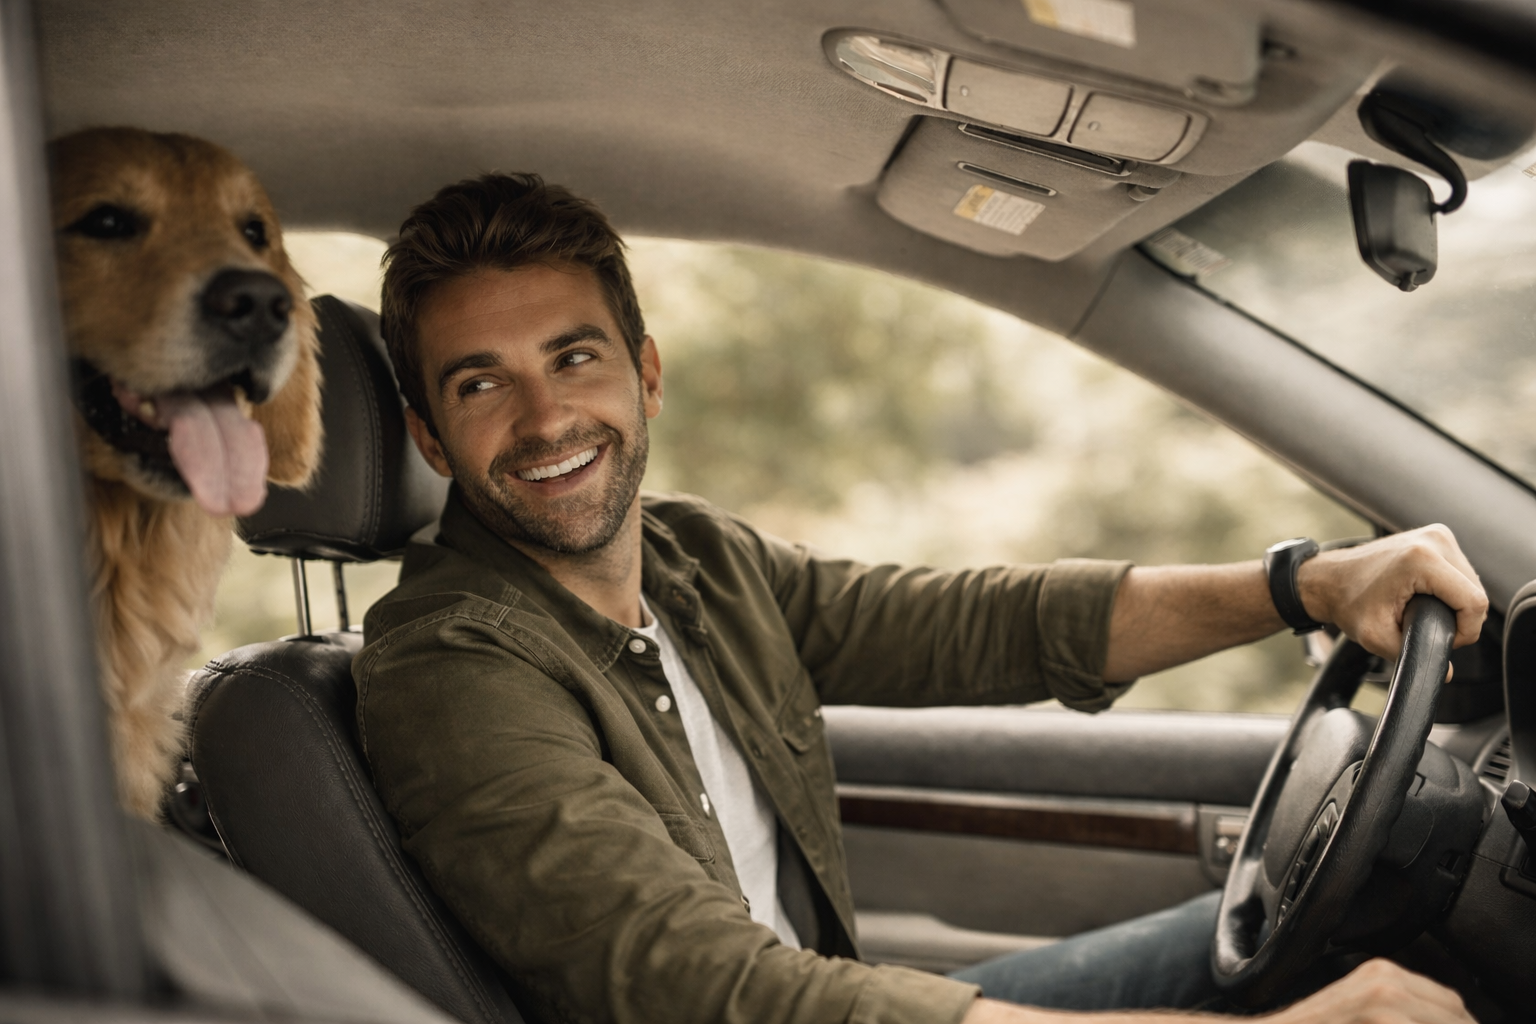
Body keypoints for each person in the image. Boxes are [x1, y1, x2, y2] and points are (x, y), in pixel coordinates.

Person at [356, 171, 1485, 1024]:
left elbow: (984, 622)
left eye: (574, 357)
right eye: (482, 382)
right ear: (430, 439)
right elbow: (693, 977)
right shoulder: (449, 665)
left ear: (644, 374)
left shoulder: (693, 560)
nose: (547, 419)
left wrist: (1308, 582)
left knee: (1319, 924)